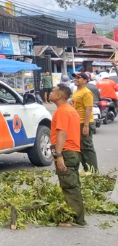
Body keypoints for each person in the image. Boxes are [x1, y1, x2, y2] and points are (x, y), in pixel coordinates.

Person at [49, 83, 87, 227]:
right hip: (72, 151)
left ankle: (77, 220)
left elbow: (62, 133)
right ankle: (75, 217)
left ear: (58, 96)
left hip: (66, 152)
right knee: (71, 184)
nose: (50, 93)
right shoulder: (70, 110)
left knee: (70, 186)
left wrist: (58, 155)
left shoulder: (62, 111)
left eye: (53, 91)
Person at [72, 73, 99, 172]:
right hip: (77, 122)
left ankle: (93, 171)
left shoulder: (86, 92)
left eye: (79, 78)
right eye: (75, 77)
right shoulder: (76, 92)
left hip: (85, 122)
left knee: (87, 147)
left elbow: (88, 109)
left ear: (85, 80)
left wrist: (86, 126)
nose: (76, 79)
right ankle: (87, 169)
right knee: (81, 147)